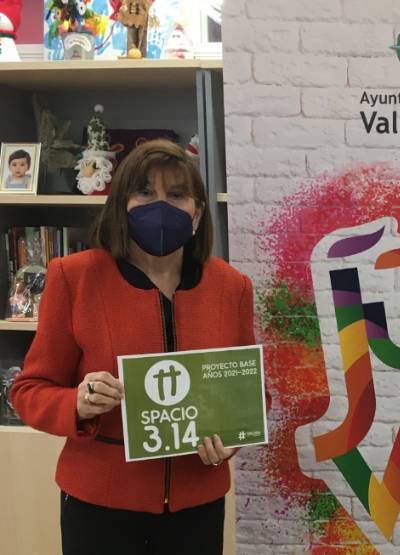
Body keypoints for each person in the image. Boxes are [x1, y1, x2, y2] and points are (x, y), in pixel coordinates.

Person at [10, 139, 258, 555]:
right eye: (144, 192)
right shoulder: (74, 277)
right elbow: (29, 390)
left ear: (197, 212)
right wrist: (78, 403)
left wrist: (233, 436)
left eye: (176, 195)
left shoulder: (231, 287)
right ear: (121, 205)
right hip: (100, 507)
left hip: (196, 505)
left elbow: (249, 390)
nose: (160, 206)